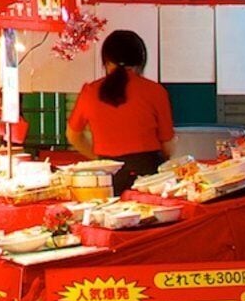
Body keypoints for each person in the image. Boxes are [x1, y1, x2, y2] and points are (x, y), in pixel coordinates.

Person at [65, 29, 178, 186]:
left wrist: (99, 159)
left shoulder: (90, 92)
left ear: (106, 61)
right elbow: (168, 144)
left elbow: (73, 136)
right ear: (141, 61)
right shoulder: (155, 91)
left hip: (106, 177)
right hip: (148, 176)